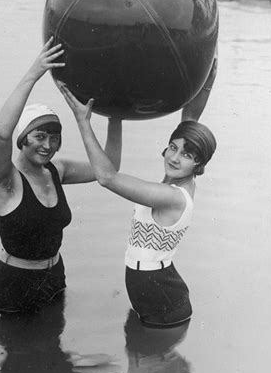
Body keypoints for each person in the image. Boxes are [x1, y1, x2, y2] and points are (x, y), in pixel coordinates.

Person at [58, 59, 217, 328]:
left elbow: (106, 177)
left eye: (187, 155)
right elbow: (190, 118)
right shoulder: (177, 180)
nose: (175, 157)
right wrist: (208, 79)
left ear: (198, 165)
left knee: (145, 369)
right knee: (144, 362)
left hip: (161, 293)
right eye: (173, 147)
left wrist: (83, 121)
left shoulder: (172, 196)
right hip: (154, 285)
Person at [0, 38, 122, 314]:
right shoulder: (5, 180)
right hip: (14, 287)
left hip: (55, 279)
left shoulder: (56, 170)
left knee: (56, 351)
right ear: (23, 138)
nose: (47, 145)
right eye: (39, 136)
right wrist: (35, 72)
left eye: (54, 138)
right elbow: (1, 134)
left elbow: (109, 168)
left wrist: (113, 115)